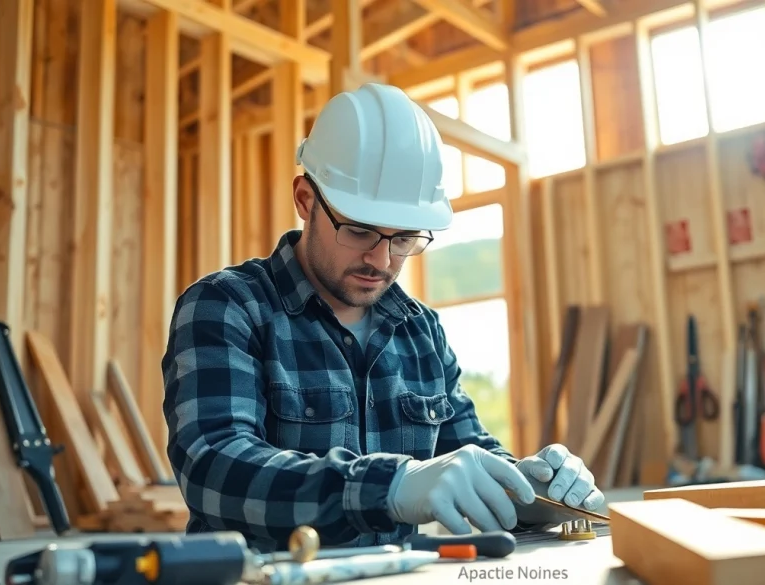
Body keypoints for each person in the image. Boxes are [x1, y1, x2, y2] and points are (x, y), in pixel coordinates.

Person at [161, 82, 605, 553]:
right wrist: (389, 486)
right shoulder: (227, 306)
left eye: (405, 239)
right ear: (306, 200)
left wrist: (529, 488)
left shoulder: (421, 332)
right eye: (359, 231)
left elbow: (467, 452)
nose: (381, 259)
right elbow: (214, 468)